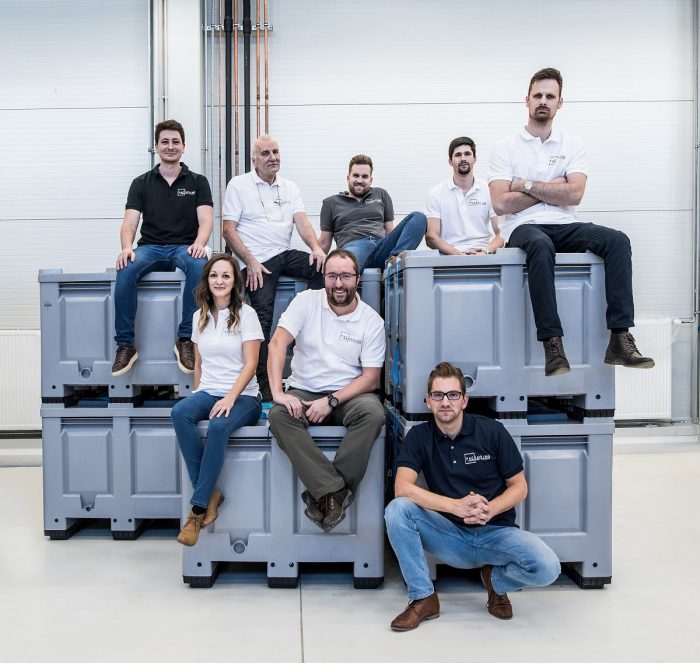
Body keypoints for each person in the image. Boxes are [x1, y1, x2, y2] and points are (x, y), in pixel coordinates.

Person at [488, 67, 654, 376]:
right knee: (540, 245)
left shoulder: (572, 145)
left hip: (565, 223)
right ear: (527, 100)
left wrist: (524, 184)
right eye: (538, 95)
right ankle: (553, 345)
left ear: (560, 102)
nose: (543, 101)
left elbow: (575, 194)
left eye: (550, 96)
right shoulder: (505, 147)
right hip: (523, 227)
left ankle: (620, 338)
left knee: (618, 240)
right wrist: (554, 188)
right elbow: (500, 203)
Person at [384, 362, 561, 632]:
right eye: (438, 395)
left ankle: (496, 582)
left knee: (548, 567)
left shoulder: (492, 431)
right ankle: (423, 597)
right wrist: (455, 507)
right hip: (449, 535)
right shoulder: (419, 436)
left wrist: (491, 509)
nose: (446, 402)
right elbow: (403, 488)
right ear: (428, 401)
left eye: (453, 395)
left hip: (495, 533)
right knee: (397, 510)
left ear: (465, 400)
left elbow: (519, 487)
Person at [267, 249, 386, 533]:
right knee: (279, 416)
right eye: (332, 276)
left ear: (357, 279)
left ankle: (322, 494)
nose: (338, 283)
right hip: (304, 390)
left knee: (374, 413)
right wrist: (278, 393)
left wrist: (331, 400)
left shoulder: (371, 321)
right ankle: (335, 492)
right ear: (324, 277)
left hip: (350, 394)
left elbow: (371, 379)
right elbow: (277, 344)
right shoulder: (305, 302)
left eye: (345, 276)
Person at [222, 135, 326, 401]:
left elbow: (302, 222)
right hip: (257, 261)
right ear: (254, 160)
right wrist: (250, 261)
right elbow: (228, 230)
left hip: (283, 253)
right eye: (265, 153)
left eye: (275, 152)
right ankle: (263, 381)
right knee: (262, 319)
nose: (272, 158)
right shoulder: (238, 185)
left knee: (322, 268)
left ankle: (310, 328)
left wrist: (316, 248)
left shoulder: (289, 187)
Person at [170, 253, 263, 546]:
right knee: (179, 412)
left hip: (244, 396)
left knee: (219, 426)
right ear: (207, 281)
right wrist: (198, 393)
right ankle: (209, 493)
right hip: (209, 391)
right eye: (214, 275)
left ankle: (197, 511)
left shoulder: (247, 314)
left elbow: (251, 365)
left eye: (225, 275)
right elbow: (198, 363)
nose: (219, 281)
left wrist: (230, 398)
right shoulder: (199, 316)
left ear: (234, 281)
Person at [112, 119, 213, 376]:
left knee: (199, 266)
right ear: (156, 146)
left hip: (184, 248)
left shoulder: (198, 182)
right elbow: (129, 223)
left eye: (175, 142)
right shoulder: (141, 183)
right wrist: (126, 247)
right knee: (125, 268)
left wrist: (199, 244)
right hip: (151, 247)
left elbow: (206, 220)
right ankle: (125, 345)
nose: (170, 146)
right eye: (165, 142)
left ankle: (186, 340)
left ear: (183, 147)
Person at [319, 154, 427, 271]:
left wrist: (394, 246)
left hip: (381, 247)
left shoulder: (381, 194)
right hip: (353, 248)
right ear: (348, 178)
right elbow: (324, 243)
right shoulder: (331, 203)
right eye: (355, 175)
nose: (359, 180)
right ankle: (348, 273)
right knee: (346, 265)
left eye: (365, 177)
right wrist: (316, 261)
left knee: (419, 218)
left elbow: (390, 230)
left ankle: (394, 262)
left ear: (371, 180)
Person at [425, 137, 503, 255]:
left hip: (482, 254)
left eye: (467, 154)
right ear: (450, 161)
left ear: (475, 159)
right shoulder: (435, 194)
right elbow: (431, 237)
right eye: (458, 155)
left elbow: (502, 232)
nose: (463, 158)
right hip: (449, 256)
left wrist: (485, 252)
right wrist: (459, 255)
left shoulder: (489, 191)